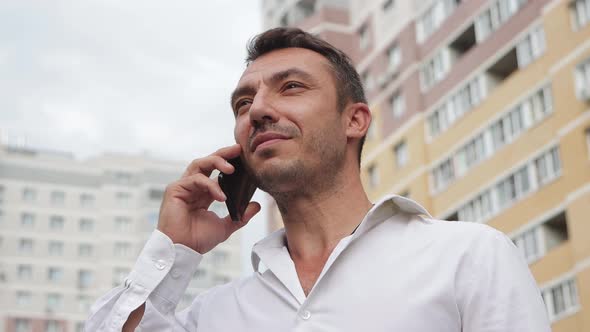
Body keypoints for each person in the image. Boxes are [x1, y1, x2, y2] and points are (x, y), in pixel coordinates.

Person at [86, 27, 551, 331]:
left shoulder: (468, 257)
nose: (259, 110)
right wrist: (174, 247)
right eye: (243, 104)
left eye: (291, 87)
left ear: (355, 120)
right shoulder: (216, 314)